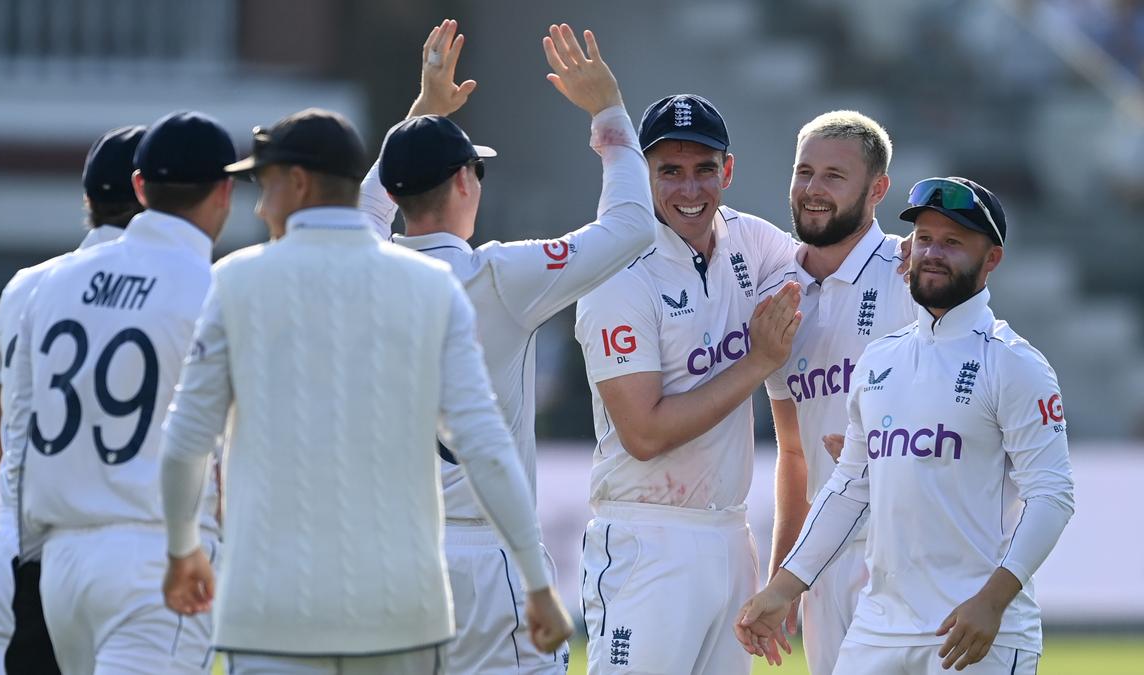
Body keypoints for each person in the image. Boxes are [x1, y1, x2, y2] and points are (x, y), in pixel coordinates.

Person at [159, 106, 573, 675]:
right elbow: (484, 445)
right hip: (398, 610)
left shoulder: (237, 281)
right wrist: (534, 577)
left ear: (298, 183)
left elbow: (186, 440)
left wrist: (183, 547)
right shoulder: (429, 287)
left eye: (265, 184)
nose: (258, 204)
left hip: (272, 606)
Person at [357, 20, 654, 673]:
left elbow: (370, 208)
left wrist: (419, 118)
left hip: (387, 561)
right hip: (490, 561)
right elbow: (632, 227)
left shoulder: (357, 268)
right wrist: (610, 114)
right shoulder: (500, 275)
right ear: (466, 181)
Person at [737, 177, 1075, 675]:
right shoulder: (879, 362)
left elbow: (1052, 496)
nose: (933, 253)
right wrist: (785, 587)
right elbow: (850, 488)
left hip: (974, 629)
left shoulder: (1015, 364)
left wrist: (994, 601)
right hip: (880, 627)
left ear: (992, 260)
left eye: (953, 243)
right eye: (924, 239)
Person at [572, 91, 802, 674]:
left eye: (704, 169)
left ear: (728, 170)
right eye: (668, 171)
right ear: (642, 175)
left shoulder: (750, 240)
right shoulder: (617, 270)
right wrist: (756, 363)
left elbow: (828, 272)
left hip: (730, 533)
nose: (690, 190)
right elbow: (643, 433)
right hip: (648, 535)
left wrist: (896, 259)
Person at [3, 111, 236, 674]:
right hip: (158, 557)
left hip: (64, 562)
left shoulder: (56, 280)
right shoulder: (215, 288)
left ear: (139, 186)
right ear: (226, 191)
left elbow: (20, 439)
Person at [0, 124, 145, 675]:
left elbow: (1, 451)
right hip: (117, 564)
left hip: (8, 556)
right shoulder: (180, 285)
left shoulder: (22, 287)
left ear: (87, 201)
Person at [755, 110, 916, 674]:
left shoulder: (912, 272)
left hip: (904, 554)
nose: (813, 190)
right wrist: (786, 577)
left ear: (878, 190)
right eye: (804, 171)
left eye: (834, 176)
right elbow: (794, 454)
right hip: (826, 565)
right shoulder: (777, 292)